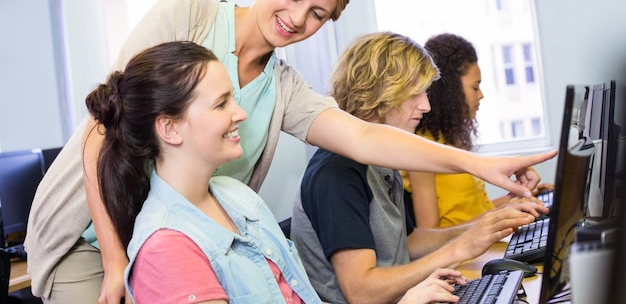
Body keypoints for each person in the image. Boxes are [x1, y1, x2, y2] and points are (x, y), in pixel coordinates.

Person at [25, 0, 555, 304]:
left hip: (179, 243)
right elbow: (105, 127)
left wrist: (483, 166)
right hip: (91, 238)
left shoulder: (283, 87)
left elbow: (367, 137)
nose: (298, 19)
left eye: (318, 14)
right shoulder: (187, 15)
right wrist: (117, 259)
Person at [86, 40, 468, 304]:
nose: (241, 113)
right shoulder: (167, 250)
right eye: (221, 104)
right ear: (169, 128)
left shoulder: (237, 197)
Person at [290, 32, 548, 304]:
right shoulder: (336, 173)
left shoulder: (383, 161)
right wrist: (458, 249)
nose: (426, 105)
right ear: (381, 90)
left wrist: (479, 228)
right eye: (416, 92)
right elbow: (361, 291)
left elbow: (408, 243)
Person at [403, 33, 552, 228]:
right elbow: (429, 233)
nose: (480, 95)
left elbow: (475, 212)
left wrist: (518, 199)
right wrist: (500, 213)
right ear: (451, 91)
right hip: (464, 254)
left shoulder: (454, 139)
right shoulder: (423, 148)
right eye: (475, 87)